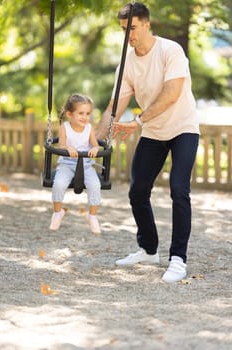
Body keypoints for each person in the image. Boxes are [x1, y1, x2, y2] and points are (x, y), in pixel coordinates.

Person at [96, 3, 199, 282]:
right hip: (153, 131)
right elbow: (114, 106)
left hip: (183, 128)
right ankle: (149, 249)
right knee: (137, 191)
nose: (128, 35)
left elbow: (172, 93)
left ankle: (177, 258)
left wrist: (138, 122)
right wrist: (92, 142)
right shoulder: (127, 62)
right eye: (123, 30)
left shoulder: (170, 51)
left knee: (179, 189)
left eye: (132, 28)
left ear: (146, 24)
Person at [49, 93, 101, 234]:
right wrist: (67, 148)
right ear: (70, 114)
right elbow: (61, 145)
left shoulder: (89, 128)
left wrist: (95, 149)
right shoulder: (64, 127)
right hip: (67, 164)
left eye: (88, 113)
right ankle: (58, 212)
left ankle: (92, 216)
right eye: (81, 113)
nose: (85, 117)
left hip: (86, 165)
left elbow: (95, 145)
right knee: (58, 184)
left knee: (95, 185)